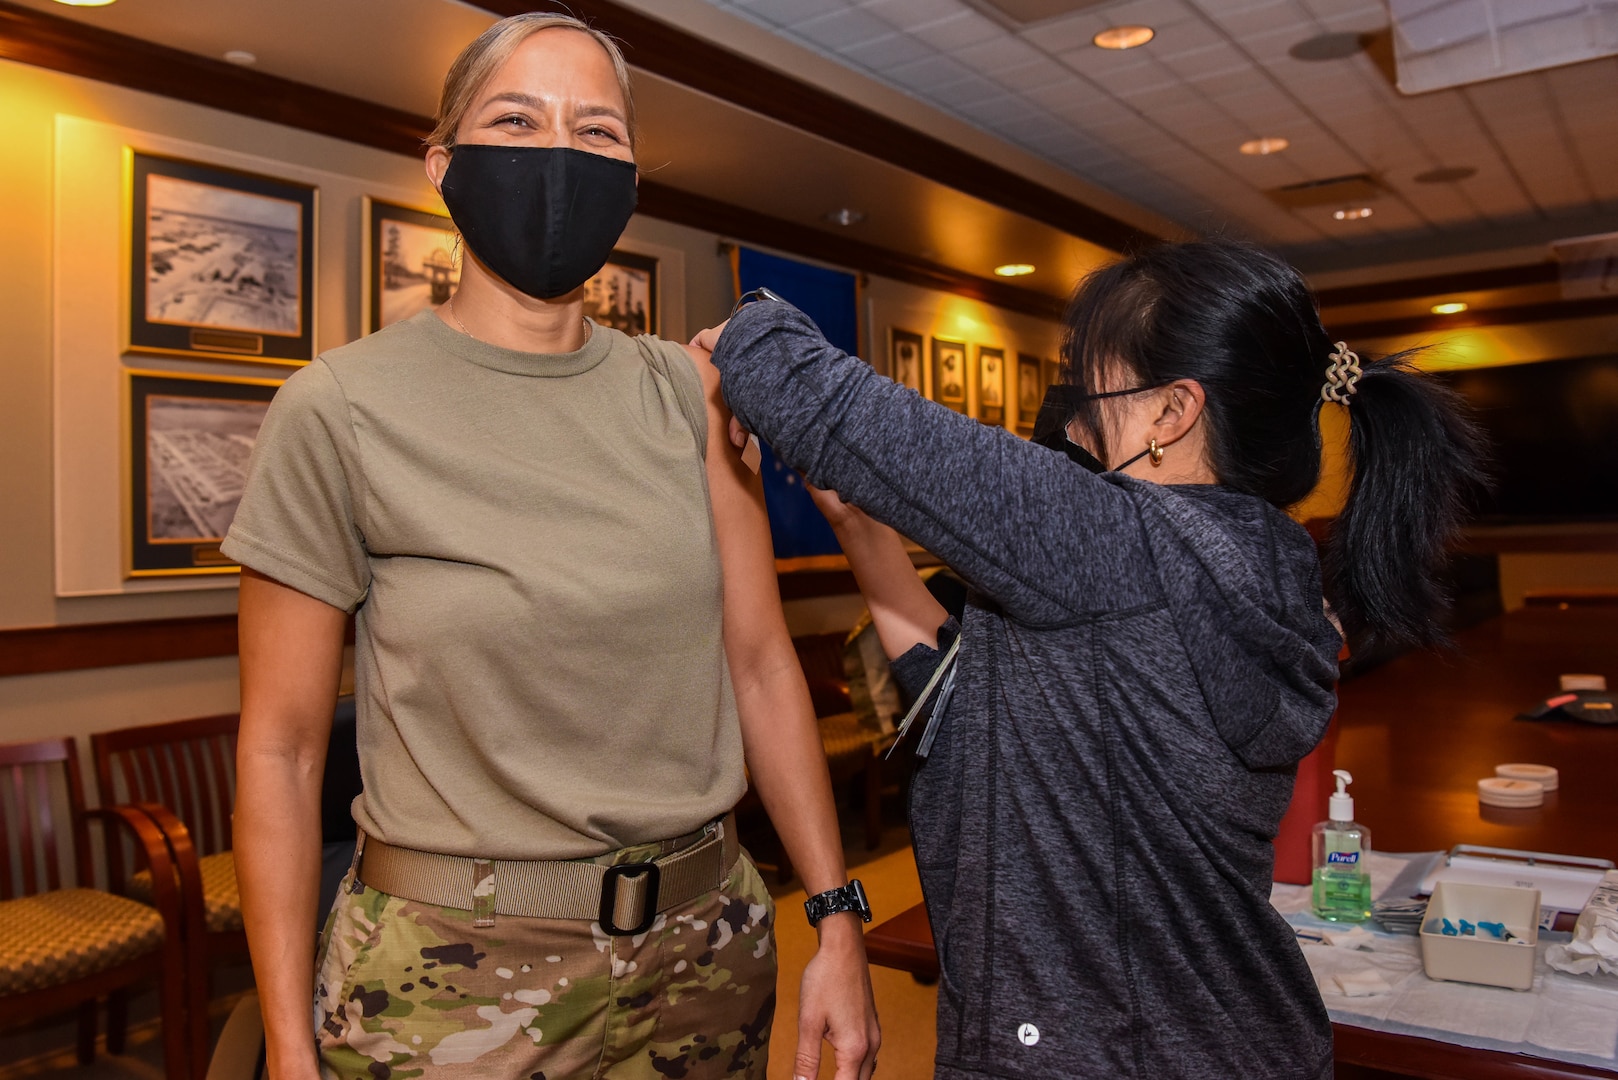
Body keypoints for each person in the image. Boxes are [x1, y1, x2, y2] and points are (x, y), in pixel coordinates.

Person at [225, 14, 879, 1080]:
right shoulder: (339, 408)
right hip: (451, 980)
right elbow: (282, 751)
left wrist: (838, 919)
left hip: (706, 950)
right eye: (518, 119)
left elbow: (760, 669)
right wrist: (290, 1048)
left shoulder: (690, 393)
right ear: (443, 164)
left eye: (598, 133)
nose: (559, 155)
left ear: (631, 180)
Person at [697, 239, 1485, 1079]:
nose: (1075, 416)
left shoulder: (1133, 545)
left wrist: (744, 328)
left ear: (1171, 414)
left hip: (1116, 1052)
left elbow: (816, 394)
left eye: (1097, 386)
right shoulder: (1244, 562)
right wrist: (861, 527)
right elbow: (982, 709)